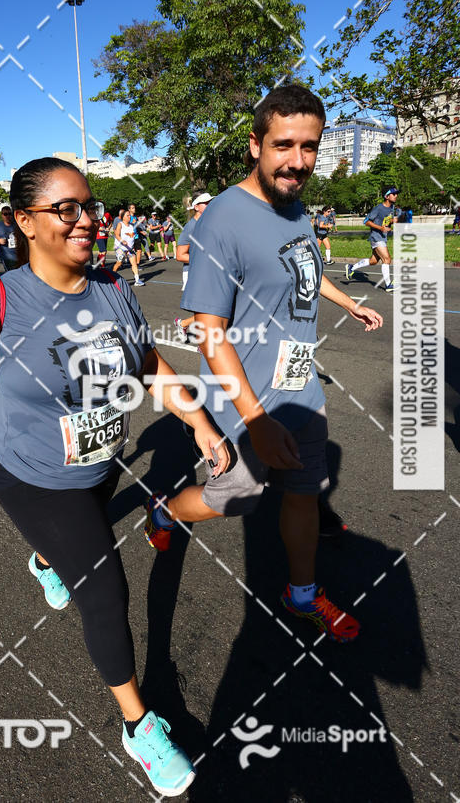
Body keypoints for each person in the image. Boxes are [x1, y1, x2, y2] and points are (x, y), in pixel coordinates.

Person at [0, 156, 230, 796]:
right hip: (29, 473)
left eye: (89, 207)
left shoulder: (115, 290)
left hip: (98, 465)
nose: (86, 220)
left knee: (73, 534)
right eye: (66, 209)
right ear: (24, 222)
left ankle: (44, 560)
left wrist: (199, 422)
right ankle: (138, 725)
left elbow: (147, 362)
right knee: (103, 589)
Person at [144, 84, 383, 644]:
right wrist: (254, 417)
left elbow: (304, 269)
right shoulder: (221, 219)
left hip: (301, 392)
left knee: (303, 493)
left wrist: (349, 302)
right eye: (283, 145)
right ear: (255, 145)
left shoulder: (296, 209)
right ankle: (164, 510)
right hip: (243, 404)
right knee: (235, 499)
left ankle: (301, 594)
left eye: (310, 147)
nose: (297, 162)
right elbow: (207, 331)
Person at [174, 193, 212, 343]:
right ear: (196, 207)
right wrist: (204, 259)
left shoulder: (209, 223)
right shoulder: (190, 228)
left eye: (210, 202)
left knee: (213, 309)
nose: (209, 205)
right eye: (206, 203)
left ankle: (183, 324)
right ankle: (203, 344)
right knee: (209, 311)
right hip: (194, 273)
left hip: (209, 271)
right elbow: (180, 255)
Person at [345, 188, 399, 291]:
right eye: (394, 194)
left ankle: (351, 267)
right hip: (376, 237)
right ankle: (388, 285)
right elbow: (366, 221)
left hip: (382, 237)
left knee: (373, 261)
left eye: (396, 194)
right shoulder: (379, 208)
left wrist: (392, 221)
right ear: (387, 196)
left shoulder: (391, 207)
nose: (396, 196)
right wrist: (381, 228)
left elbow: (385, 220)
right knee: (387, 259)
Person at [113, 211, 145, 286]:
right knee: (119, 263)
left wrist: (132, 246)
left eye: (130, 215)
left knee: (134, 263)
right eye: (127, 215)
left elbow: (132, 237)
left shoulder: (131, 226)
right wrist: (122, 240)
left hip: (129, 249)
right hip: (120, 248)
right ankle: (112, 277)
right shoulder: (120, 224)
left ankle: (137, 280)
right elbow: (117, 234)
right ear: (123, 217)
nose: (129, 217)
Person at [0, 206, 19, 271]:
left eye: (9, 214)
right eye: (5, 214)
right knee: (11, 275)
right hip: (7, 256)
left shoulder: (17, 224)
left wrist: (19, 239)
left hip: (20, 254)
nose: (7, 216)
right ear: (2, 215)